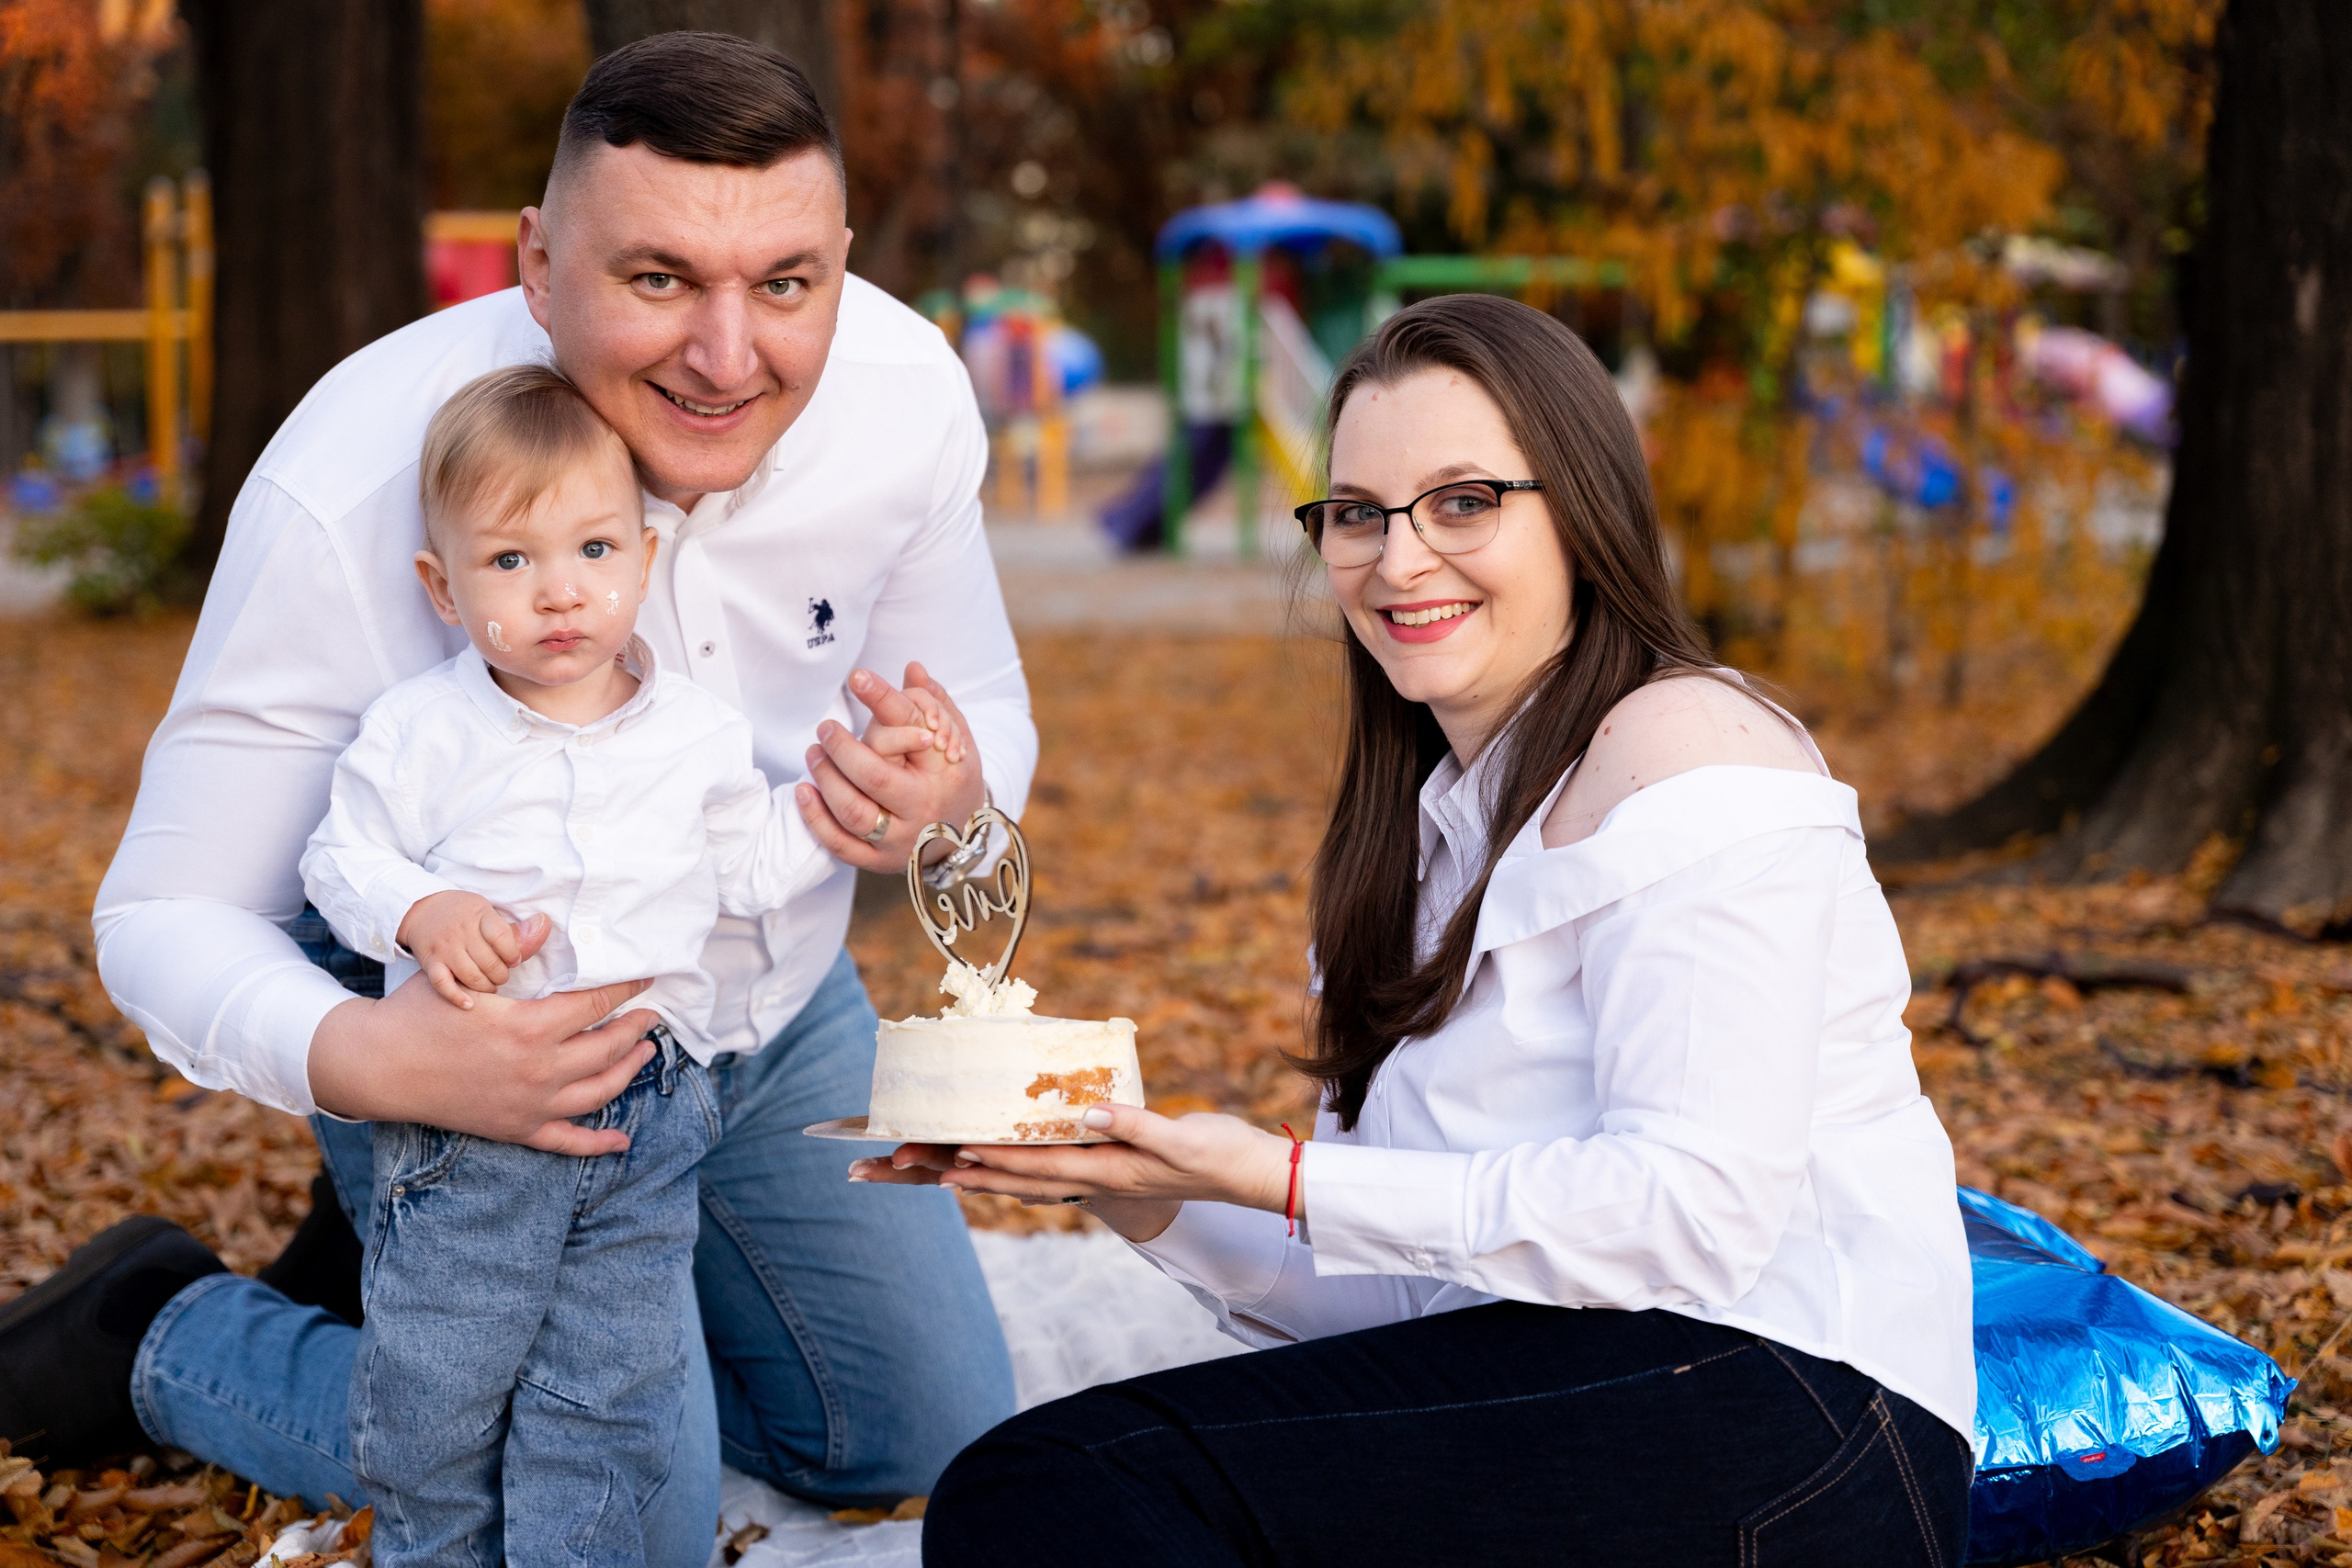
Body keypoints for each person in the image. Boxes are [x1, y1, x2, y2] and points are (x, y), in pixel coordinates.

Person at [0, 32, 1025, 1561]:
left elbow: (985, 718)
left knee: (923, 1434)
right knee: (605, 1517)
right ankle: (166, 1330)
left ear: (845, 264)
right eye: (660, 279)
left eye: (788, 284)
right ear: (539, 263)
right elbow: (161, 912)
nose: (730, 357)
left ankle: (490, 1328)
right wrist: (378, 1059)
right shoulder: (350, 492)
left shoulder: (904, 398)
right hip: (475, 1052)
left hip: (775, 1000)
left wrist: (943, 798)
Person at [862, 295, 1978, 1566]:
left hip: (1802, 1414)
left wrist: (1273, 1174)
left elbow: (1693, 1216)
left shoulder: (1688, 746)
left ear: (1586, 508)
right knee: (1076, 1482)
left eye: (1463, 502)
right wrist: (1135, 1187)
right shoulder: (1424, 838)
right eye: (1356, 514)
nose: (1396, 561)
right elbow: (1396, 1298)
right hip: (1569, 1375)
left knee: (1057, 1486)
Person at [302, 364, 904, 1567]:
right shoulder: (423, 733)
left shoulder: (694, 734)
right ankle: (435, 1550)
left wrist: (846, 803)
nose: (559, 592)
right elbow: (338, 858)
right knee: (441, 1386)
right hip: (473, 1131)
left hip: (650, 1111)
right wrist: (423, 911)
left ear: (643, 554)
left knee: (609, 1386)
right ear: (444, 585)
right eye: (511, 563)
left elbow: (747, 858)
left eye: (591, 550)